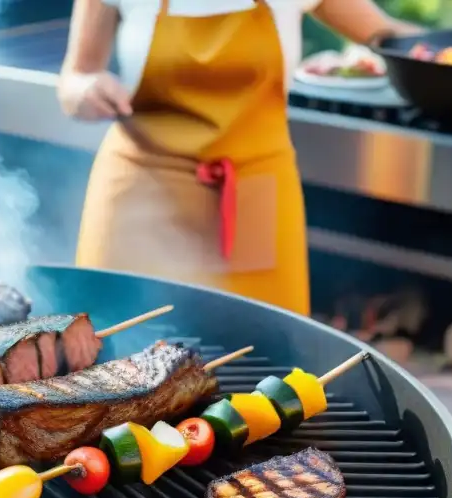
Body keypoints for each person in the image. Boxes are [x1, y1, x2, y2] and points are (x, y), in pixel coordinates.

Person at [59, 0, 421, 316]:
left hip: (254, 188)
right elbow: (74, 81)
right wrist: (86, 89)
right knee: (109, 350)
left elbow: (403, 42)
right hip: (142, 185)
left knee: (268, 361)